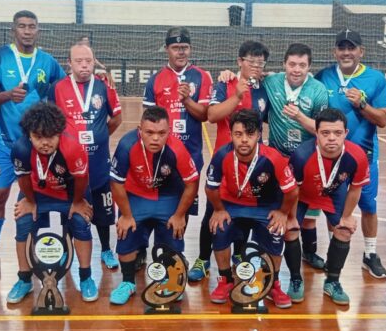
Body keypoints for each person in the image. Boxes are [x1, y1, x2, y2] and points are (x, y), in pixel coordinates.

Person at [0, 10, 66, 282]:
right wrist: (7, 95)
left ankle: (39, 255)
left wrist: (99, 76)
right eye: (22, 26)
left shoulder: (48, 62)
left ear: (38, 30)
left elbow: (66, 87)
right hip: (6, 145)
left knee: (35, 200)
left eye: (32, 27)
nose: (27, 31)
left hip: (36, 147)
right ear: (14, 29)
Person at [187, 40, 270, 282]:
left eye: (260, 62)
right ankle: (203, 259)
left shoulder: (264, 88)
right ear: (239, 62)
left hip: (253, 163)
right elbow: (212, 116)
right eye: (251, 61)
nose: (255, 65)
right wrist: (237, 96)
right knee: (213, 211)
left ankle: (239, 255)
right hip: (224, 162)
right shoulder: (225, 83)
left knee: (243, 212)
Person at [314, 29, 386, 279]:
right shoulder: (323, 76)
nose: (346, 52)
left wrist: (362, 104)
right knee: (333, 207)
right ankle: (333, 252)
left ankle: (370, 254)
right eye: (341, 47)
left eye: (352, 47)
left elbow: (383, 119)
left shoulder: (375, 79)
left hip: (363, 156)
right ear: (335, 51)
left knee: (368, 205)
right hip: (330, 157)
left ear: (361, 51)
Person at [206, 109, 297, 309]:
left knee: (276, 229)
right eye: (238, 135)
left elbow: (291, 191)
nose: (244, 140)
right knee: (218, 228)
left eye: (250, 134)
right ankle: (226, 279)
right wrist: (219, 209)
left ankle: (272, 283)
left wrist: (283, 213)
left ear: (258, 135)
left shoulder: (273, 158)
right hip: (232, 204)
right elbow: (210, 188)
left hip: (266, 207)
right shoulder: (222, 155)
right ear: (231, 135)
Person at [108, 106, 199, 305]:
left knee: (172, 238)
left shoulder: (177, 149)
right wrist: (125, 215)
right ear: (140, 130)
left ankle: (170, 279)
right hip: (137, 195)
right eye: (149, 132)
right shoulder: (126, 145)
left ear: (169, 132)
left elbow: (192, 183)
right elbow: (116, 182)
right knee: (126, 234)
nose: (155, 138)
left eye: (161, 133)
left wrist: (179, 214)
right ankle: (128, 282)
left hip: (168, 197)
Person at [7, 102, 96, 303]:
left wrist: (78, 202)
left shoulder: (72, 147)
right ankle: (24, 280)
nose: (45, 143)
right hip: (37, 193)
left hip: (71, 194)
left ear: (60, 133)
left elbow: (82, 179)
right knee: (23, 223)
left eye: (50, 137)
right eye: (38, 137)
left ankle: (86, 277)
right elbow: (22, 178)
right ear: (29, 135)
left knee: (81, 224)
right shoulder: (21, 148)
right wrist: (29, 202)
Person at [47, 41, 123, 270]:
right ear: (68, 63)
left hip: (99, 162)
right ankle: (67, 248)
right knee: (70, 209)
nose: (84, 66)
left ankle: (107, 249)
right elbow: (52, 122)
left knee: (103, 212)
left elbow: (116, 119)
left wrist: (99, 136)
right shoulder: (57, 88)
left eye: (88, 61)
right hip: (69, 164)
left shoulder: (104, 86)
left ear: (94, 62)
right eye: (78, 61)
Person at [142, 26, 212, 265]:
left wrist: (186, 100)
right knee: (158, 199)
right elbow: (148, 120)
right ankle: (146, 249)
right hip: (160, 156)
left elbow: (204, 115)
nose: (181, 52)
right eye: (176, 47)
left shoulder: (202, 76)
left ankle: (174, 252)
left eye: (184, 47)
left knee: (186, 204)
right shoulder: (155, 80)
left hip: (190, 155)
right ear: (167, 49)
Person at [287, 108, 370, 305]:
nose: (331, 138)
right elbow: (292, 191)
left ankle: (332, 282)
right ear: (316, 133)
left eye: (337, 133)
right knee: (289, 230)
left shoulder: (357, 155)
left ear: (345, 134)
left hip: (333, 192)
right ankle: (295, 279)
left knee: (344, 230)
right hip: (302, 194)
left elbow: (355, 188)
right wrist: (290, 217)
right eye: (325, 133)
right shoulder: (301, 156)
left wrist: (347, 216)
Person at [262, 43, 329, 157]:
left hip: (306, 156)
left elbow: (322, 130)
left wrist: (299, 117)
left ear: (309, 66)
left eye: (302, 65)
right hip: (276, 155)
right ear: (284, 64)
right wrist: (227, 74)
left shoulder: (318, 90)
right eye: (292, 64)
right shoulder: (270, 82)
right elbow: (247, 78)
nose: (296, 70)